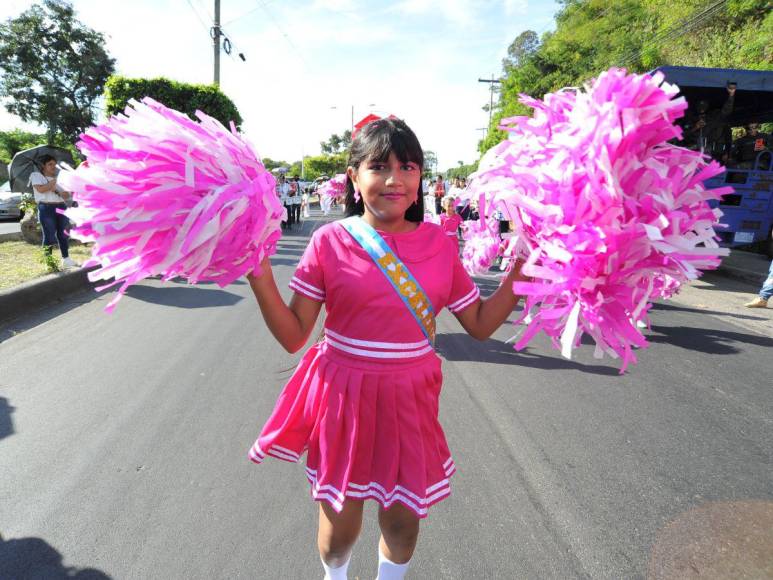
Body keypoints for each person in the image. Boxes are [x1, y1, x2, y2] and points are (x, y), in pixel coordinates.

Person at [245, 117, 528, 580]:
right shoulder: (329, 242)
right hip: (343, 397)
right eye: (380, 167)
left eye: (409, 167)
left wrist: (517, 277)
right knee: (340, 528)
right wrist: (258, 273)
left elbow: (478, 324)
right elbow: (296, 334)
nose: (395, 179)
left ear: (420, 179)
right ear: (354, 177)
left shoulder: (439, 243)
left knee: (403, 523)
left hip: (410, 399)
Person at [29, 154, 76, 269]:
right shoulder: (36, 175)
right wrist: (53, 182)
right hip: (46, 208)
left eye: (54, 164)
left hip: (61, 206)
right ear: (43, 166)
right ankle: (49, 262)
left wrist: (61, 192)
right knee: (49, 235)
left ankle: (66, 259)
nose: (53, 166)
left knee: (63, 234)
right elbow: (41, 189)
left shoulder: (59, 179)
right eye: (50, 164)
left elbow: (66, 195)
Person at [683, 85, 735, 161]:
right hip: (692, 152)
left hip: (711, 153)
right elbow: (682, 135)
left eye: (704, 105)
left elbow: (726, 110)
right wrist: (695, 127)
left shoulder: (713, 118)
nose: (702, 109)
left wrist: (731, 95)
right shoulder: (690, 119)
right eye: (700, 106)